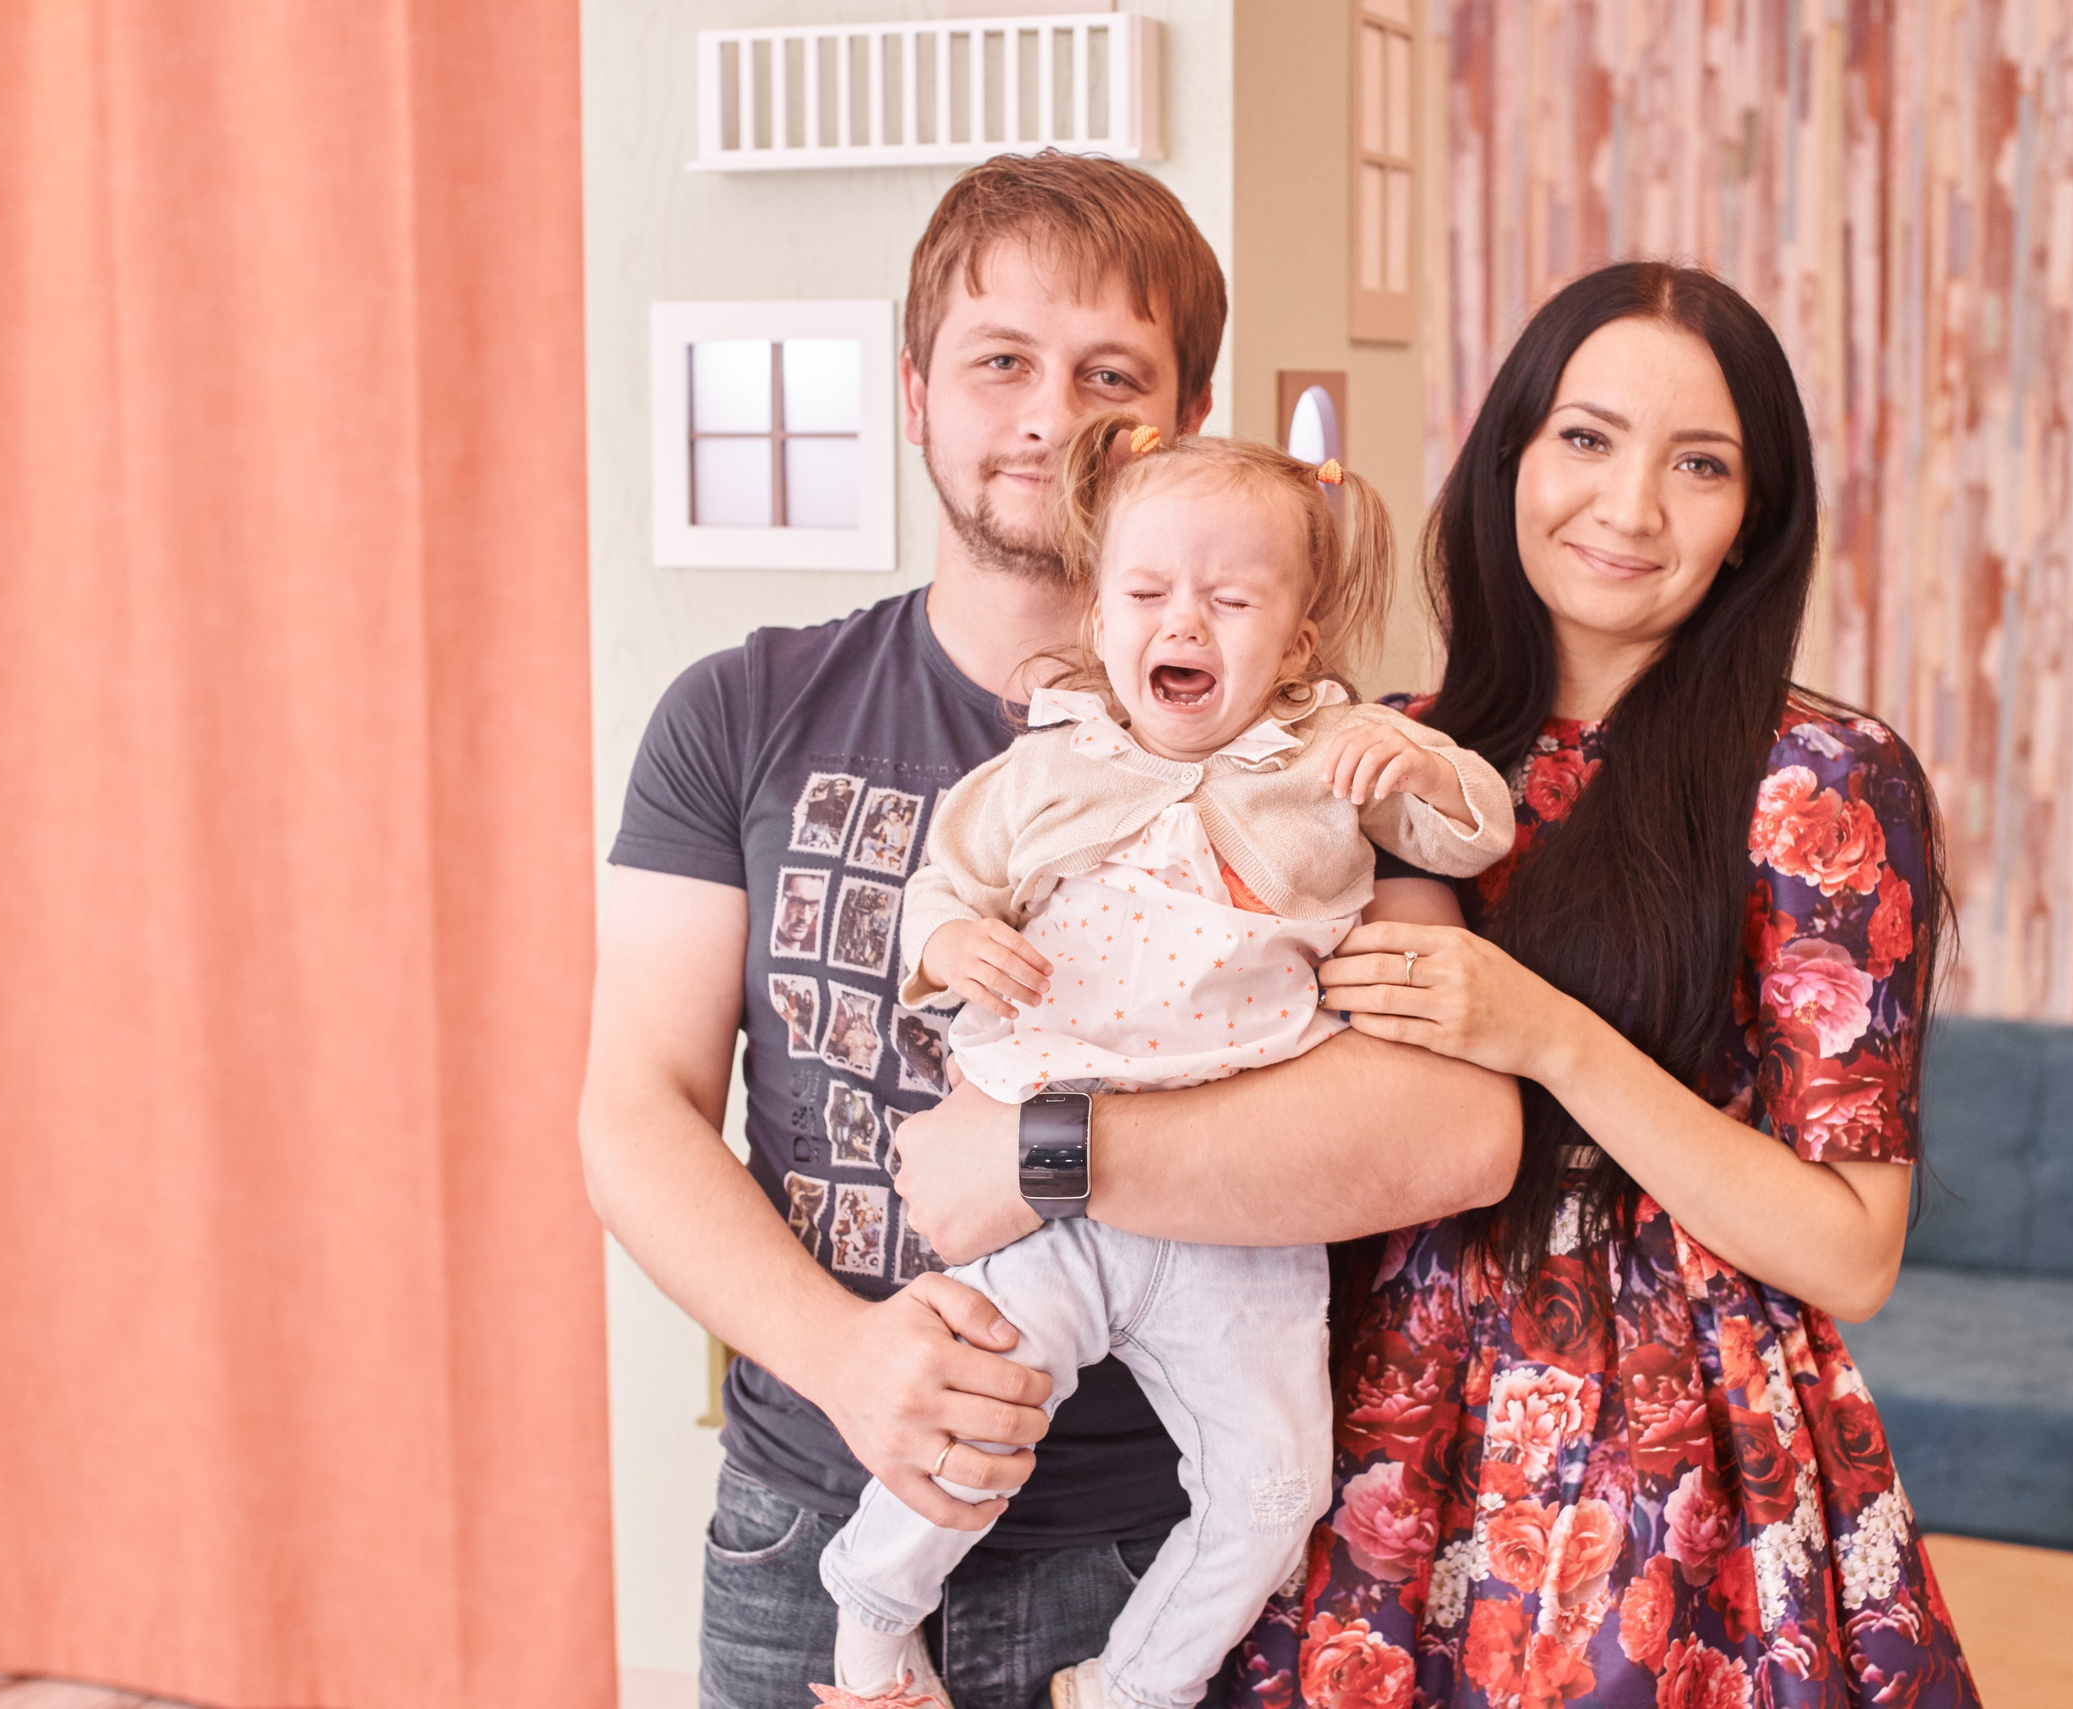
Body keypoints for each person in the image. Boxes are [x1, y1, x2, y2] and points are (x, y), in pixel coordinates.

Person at [577, 151, 1521, 1709]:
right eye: (998, 359)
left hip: (1143, 1545)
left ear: (1180, 422)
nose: (1042, 414)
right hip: (810, 1514)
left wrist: (1045, 1153)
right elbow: (634, 1111)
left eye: (1108, 376)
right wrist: (851, 1360)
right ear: (915, 391)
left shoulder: (1315, 753)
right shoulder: (738, 713)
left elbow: (1447, 1126)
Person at [1212, 262, 1983, 1704]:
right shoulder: (1389, 749)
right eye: (1586, 438)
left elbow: (1850, 1250)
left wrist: (1547, 1035)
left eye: (1699, 464)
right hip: (1376, 1427)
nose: (1629, 508)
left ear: (1754, 517)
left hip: (1675, 1469)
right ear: (1509, 453)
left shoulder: (1816, 781)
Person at [813, 417, 1514, 1709]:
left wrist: (1416, 759)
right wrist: (958, 940)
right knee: (971, 1407)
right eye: (1146, 592)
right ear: (1100, 608)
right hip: (1042, 1191)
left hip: (1239, 1211)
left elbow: (1468, 833)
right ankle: (871, 1610)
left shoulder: (1324, 758)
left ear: (1298, 640)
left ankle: (1132, 1686)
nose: (1181, 619)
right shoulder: (1042, 766)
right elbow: (940, 887)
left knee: (1279, 1481)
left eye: (1232, 599)